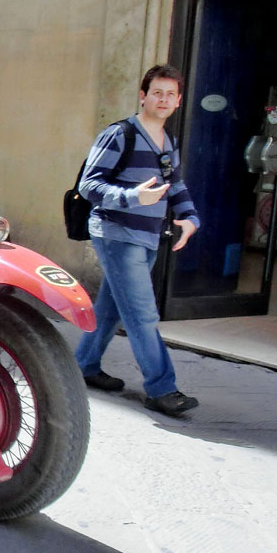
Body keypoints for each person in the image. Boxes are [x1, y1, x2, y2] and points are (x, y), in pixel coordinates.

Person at [74, 64, 202, 417]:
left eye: (170, 94)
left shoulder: (167, 140)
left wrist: (190, 218)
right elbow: (90, 186)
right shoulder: (120, 135)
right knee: (142, 313)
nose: (163, 99)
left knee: (112, 306)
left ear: (178, 102)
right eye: (156, 92)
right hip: (117, 234)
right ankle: (162, 388)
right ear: (142, 96)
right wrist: (133, 197)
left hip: (147, 236)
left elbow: (174, 184)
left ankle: (83, 364)